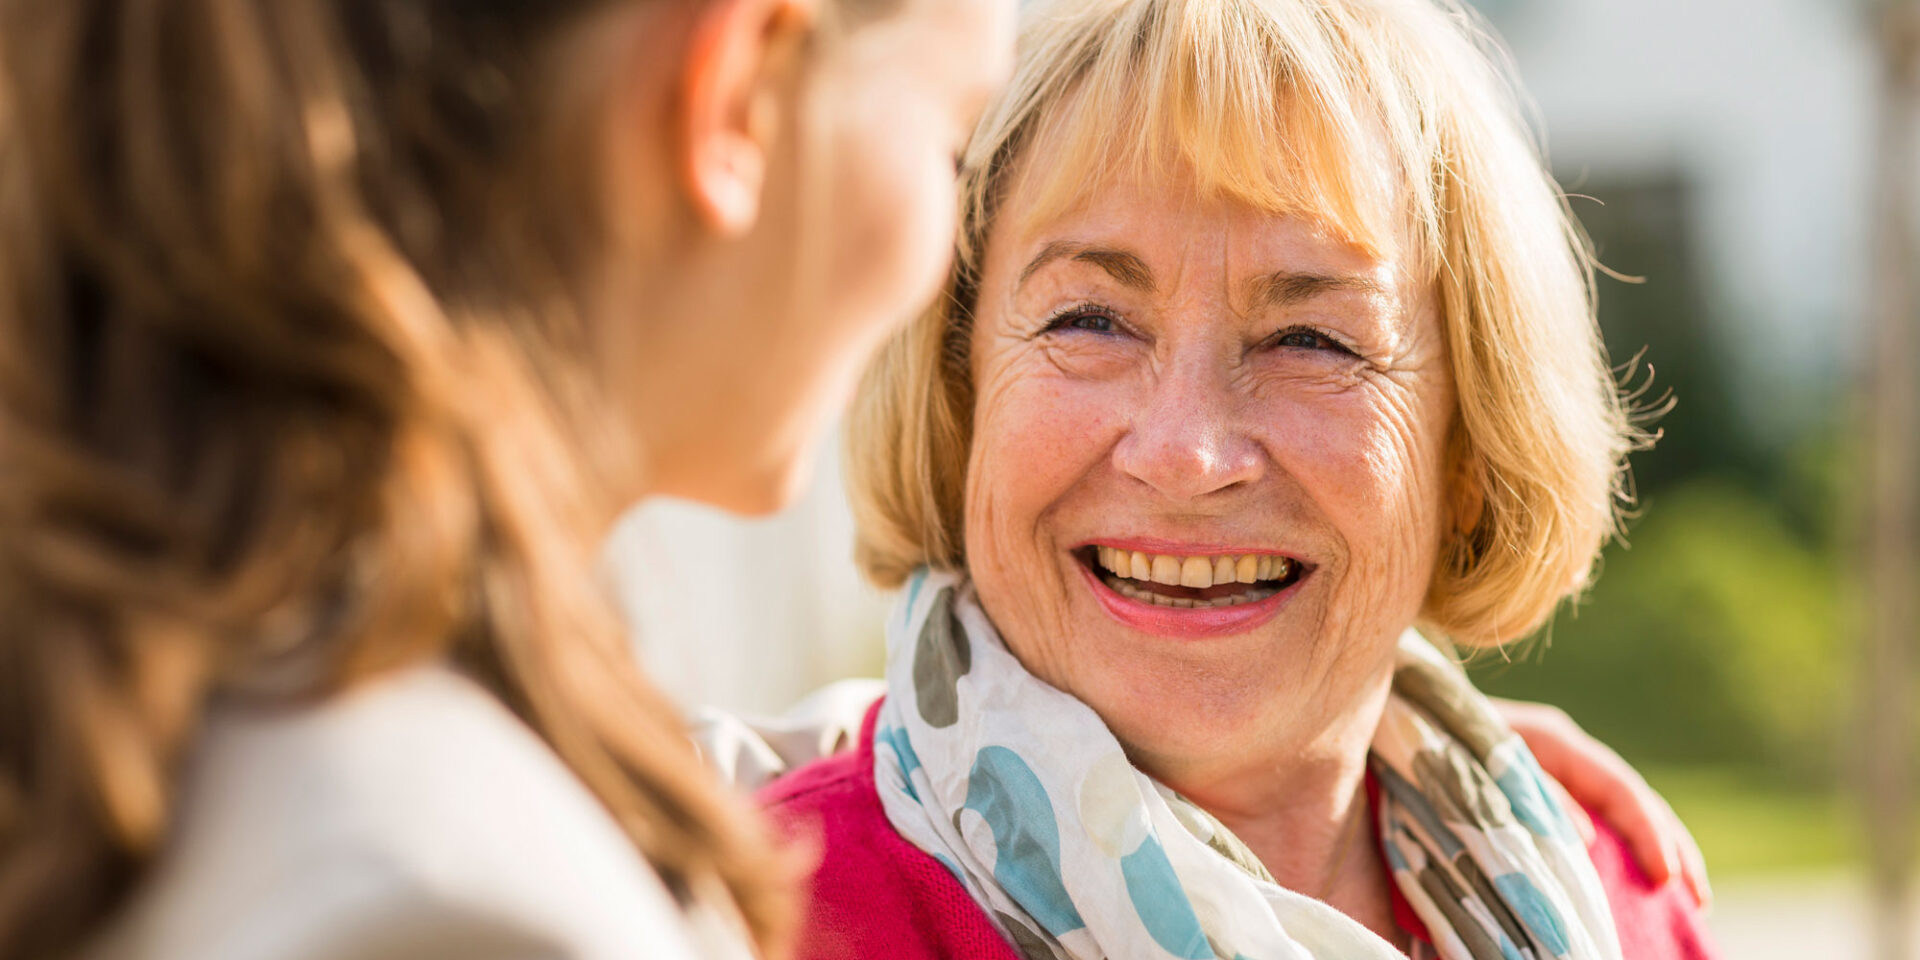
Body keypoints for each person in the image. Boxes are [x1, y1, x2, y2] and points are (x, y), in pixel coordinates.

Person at [0, 0, 1013, 957]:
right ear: (737, 89)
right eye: (950, 147)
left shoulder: (184, 713)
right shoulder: (448, 902)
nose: (939, 267)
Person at [760, 0, 1723, 957]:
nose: (1185, 453)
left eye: (1309, 339)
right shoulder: (759, 915)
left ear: (1469, 452)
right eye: (1089, 320)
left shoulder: (1622, 904)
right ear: (960, 399)